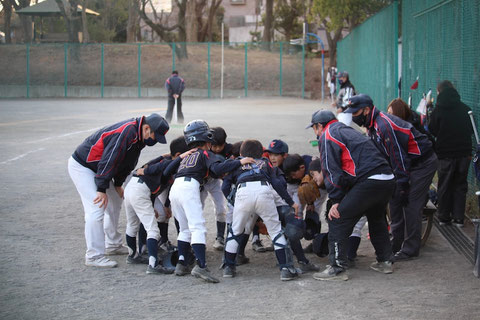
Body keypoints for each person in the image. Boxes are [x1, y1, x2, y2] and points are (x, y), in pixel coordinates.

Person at [68, 114, 169, 268]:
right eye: (156, 136)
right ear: (147, 128)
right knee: (96, 208)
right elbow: (111, 158)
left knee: (115, 203)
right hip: (83, 167)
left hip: (100, 169)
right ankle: (94, 255)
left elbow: (127, 162)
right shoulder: (127, 131)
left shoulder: (138, 136)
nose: (155, 141)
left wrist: (118, 184)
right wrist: (101, 188)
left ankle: (113, 244)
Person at [346, 94, 438, 261]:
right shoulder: (371, 124)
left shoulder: (383, 125)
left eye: (355, 112)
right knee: (394, 201)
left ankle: (410, 249)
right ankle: (396, 243)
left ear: (367, 110)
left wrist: (402, 184)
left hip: (422, 163)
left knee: (410, 204)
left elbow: (398, 157)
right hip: (406, 164)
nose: (353, 116)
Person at [307, 110, 395, 281]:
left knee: (337, 217)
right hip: (387, 178)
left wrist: (336, 200)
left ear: (319, 126)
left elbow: (331, 172)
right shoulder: (347, 129)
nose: (316, 133)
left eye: (314, 128)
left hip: (369, 181)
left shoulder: (327, 135)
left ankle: (337, 268)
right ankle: (385, 261)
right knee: (376, 217)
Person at [169, 120, 255, 283]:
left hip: (176, 189)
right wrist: (239, 162)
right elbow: (217, 169)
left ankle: (181, 263)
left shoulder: (188, 155)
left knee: (185, 229)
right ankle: (201, 266)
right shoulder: (205, 153)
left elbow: (168, 170)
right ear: (206, 138)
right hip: (189, 188)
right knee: (198, 227)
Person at [221, 140, 300, 280]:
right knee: (275, 231)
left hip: (243, 191)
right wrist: (290, 202)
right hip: (264, 190)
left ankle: (228, 267)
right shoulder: (265, 162)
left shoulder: (237, 163)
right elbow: (276, 183)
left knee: (235, 231)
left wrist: (232, 201)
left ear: (241, 154)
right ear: (261, 153)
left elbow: (225, 187)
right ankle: (285, 269)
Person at [123, 147, 194, 274]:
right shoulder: (169, 163)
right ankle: (153, 265)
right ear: (179, 154)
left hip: (133, 188)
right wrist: (179, 157)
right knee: (153, 230)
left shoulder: (164, 160)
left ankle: (133, 256)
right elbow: (154, 169)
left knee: (132, 224)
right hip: (140, 191)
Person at [428, 80, 474, 227]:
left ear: (439, 92)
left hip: (445, 153)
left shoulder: (438, 111)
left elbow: (432, 130)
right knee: (460, 184)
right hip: (464, 152)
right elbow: (472, 129)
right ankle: (459, 218)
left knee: (445, 184)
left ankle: (443, 217)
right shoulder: (465, 109)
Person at [201, 127, 232, 251]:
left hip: (215, 182)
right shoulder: (203, 149)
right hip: (202, 182)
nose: (218, 149)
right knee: (198, 208)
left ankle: (220, 238)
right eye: (214, 146)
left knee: (220, 208)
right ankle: (197, 239)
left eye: (221, 146)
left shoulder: (229, 149)